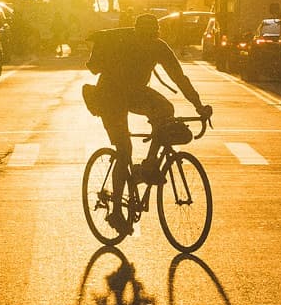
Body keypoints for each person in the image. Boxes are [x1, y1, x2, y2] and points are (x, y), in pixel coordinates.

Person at [86, 13, 212, 234]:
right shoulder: (126, 44)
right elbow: (177, 78)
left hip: (134, 93)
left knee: (165, 110)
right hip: (110, 95)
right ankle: (116, 210)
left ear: (155, 35)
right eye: (143, 36)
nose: (146, 40)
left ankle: (150, 164)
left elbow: (178, 77)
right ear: (136, 33)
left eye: (150, 36)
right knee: (124, 150)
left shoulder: (158, 47)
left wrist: (198, 105)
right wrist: (198, 106)